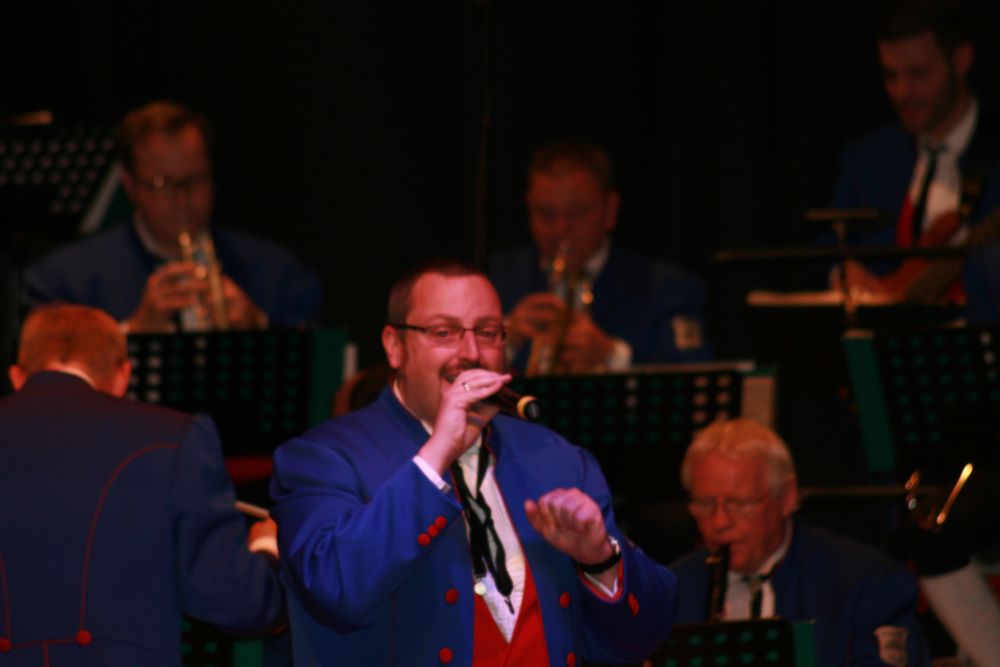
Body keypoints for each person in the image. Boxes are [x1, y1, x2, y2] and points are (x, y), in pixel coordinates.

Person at [269, 259, 676, 665]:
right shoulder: (321, 457)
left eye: (487, 332)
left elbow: (643, 638)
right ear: (395, 347)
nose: (471, 353)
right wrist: (436, 455)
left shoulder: (557, 458)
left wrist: (601, 561)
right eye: (443, 332)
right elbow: (334, 591)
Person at [0, 304, 285, 665]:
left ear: (16, 376)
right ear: (124, 375)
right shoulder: (174, 437)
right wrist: (267, 546)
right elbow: (238, 602)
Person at [23, 100, 322, 332]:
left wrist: (260, 327)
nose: (182, 199)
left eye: (195, 180)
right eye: (162, 183)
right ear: (130, 186)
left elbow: (318, 364)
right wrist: (134, 333)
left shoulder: (277, 272)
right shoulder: (65, 279)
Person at [669, 418, 930, 667]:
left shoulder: (868, 583)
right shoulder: (669, 590)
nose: (719, 522)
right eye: (704, 504)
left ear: (787, 497)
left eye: (739, 504)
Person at [489, 141, 709, 374]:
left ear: (610, 210)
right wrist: (504, 341)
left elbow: (693, 372)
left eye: (578, 213)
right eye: (546, 214)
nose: (561, 229)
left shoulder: (667, 287)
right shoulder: (494, 277)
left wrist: (613, 357)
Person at [830, 0, 1000, 299]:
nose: (902, 92)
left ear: (961, 60)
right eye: (890, 76)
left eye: (919, 74)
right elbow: (826, 246)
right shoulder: (868, 158)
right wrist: (843, 271)